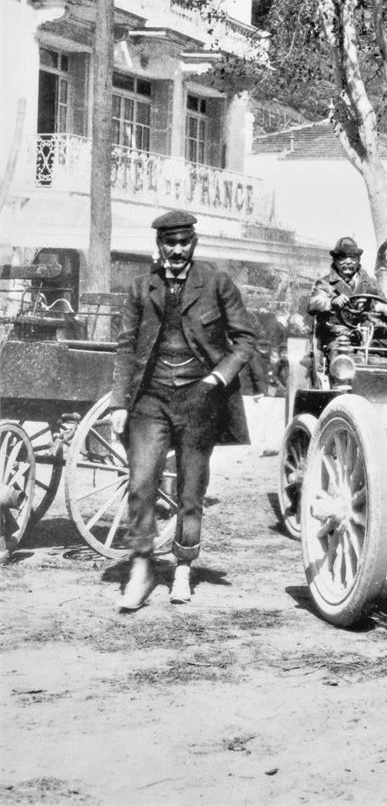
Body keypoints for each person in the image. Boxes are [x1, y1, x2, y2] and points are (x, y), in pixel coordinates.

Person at [108, 210, 256, 610]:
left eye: (183, 242)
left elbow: (245, 341)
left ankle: (184, 568)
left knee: (191, 491)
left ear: (194, 242)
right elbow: (125, 347)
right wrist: (119, 403)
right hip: (150, 398)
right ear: (158, 245)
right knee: (141, 484)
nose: (176, 250)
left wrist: (216, 379)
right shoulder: (141, 288)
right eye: (169, 243)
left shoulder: (217, 283)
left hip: (199, 400)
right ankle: (141, 567)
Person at [307, 237, 385, 366]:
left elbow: (383, 306)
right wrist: (332, 301)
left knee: (383, 357)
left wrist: (371, 304)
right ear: (335, 260)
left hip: (367, 336)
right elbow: (313, 304)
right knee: (343, 360)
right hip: (336, 336)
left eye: (353, 258)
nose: (348, 262)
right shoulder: (324, 283)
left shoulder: (371, 284)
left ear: (358, 260)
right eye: (342, 258)